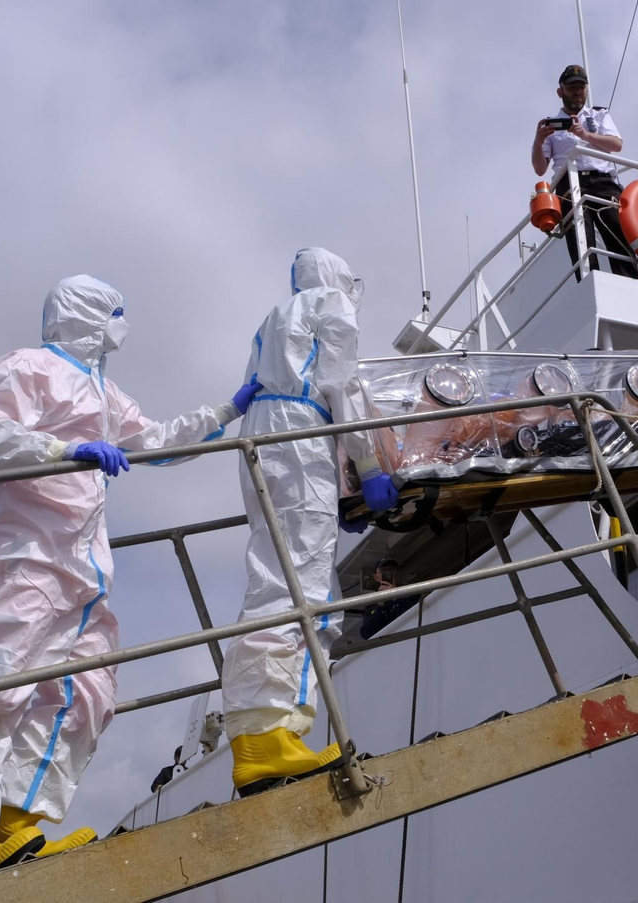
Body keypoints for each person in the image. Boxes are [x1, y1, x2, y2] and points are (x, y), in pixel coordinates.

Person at [0, 275, 261, 886]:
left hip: (81, 569)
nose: (122, 325)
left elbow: (151, 442)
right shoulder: (27, 367)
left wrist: (227, 411)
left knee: (86, 691)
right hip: (26, 552)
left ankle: (12, 821)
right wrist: (64, 452)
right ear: (88, 314)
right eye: (116, 313)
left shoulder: (102, 388)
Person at [221, 248, 398, 796]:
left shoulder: (272, 320)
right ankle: (274, 735)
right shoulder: (332, 306)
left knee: (273, 575)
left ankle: (257, 734)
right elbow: (340, 389)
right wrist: (366, 468)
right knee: (302, 585)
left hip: (260, 442)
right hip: (300, 441)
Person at [532, 64, 638, 280]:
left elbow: (616, 144)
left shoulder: (598, 116)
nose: (577, 91)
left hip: (603, 182)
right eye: (572, 87)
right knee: (580, 239)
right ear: (560, 91)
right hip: (568, 186)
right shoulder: (551, 129)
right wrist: (539, 140)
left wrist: (585, 135)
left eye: (581, 87)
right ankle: (591, 282)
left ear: (587, 90)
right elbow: (539, 168)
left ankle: (630, 282)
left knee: (618, 233)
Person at [358, 558, 422, 640]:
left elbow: (416, 614)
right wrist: (380, 605)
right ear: (376, 577)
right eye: (383, 570)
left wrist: (396, 596)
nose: (388, 572)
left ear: (398, 573)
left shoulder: (412, 594)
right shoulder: (371, 607)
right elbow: (366, 634)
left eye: (391, 569)